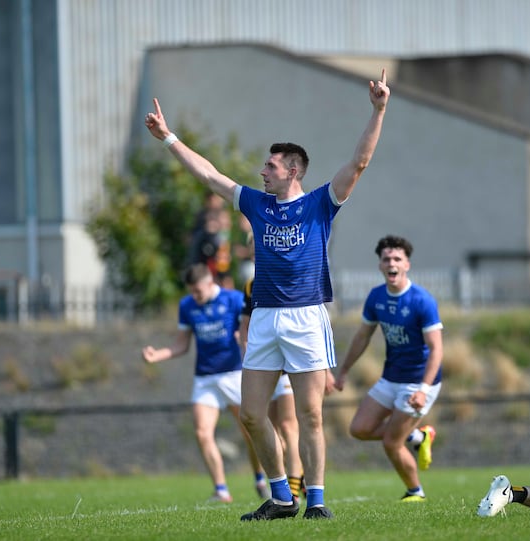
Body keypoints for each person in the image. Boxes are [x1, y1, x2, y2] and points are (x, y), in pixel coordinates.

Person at [144, 69, 391, 520]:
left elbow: (358, 163)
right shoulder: (256, 204)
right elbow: (209, 174)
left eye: (270, 166)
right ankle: (281, 497)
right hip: (263, 318)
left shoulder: (320, 202)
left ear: (292, 170)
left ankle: (315, 501)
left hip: (305, 318)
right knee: (253, 415)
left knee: (311, 417)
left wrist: (378, 110)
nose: (262, 172)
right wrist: (168, 138)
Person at [141, 264, 270, 503]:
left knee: (251, 432)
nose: (195, 297)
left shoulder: (234, 299)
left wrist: (244, 337)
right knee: (202, 433)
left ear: (211, 284)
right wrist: (156, 355)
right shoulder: (187, 306)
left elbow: (249, 328)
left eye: (198, 291)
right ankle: (221, 489)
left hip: (234, 374)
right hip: (205, 378)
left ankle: (260, 477)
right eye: (192, 292)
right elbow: (182, 345)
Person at [333, 235, 442, 502]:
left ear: (407, 265)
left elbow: (437, 349)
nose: (391, 263)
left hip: (418, 382)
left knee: (392, 442)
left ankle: (415, 492)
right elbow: (362, 336)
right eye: (386, 259)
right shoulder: (376, 297)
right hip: (391, 377)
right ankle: (418, 436)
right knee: (359, 429)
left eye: (397, 259)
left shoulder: (421, 301)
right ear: (380, 265)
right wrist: (344, 370)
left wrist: (424, 390)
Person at [238, 248, 305, 502]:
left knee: (290, 425)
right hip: (263, 365)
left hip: (288, 364)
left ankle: (294, 490)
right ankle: (287, 482)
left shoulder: (291, 275)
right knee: (267, 425)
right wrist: (247, 355)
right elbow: (244, 326)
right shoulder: (251, 285)